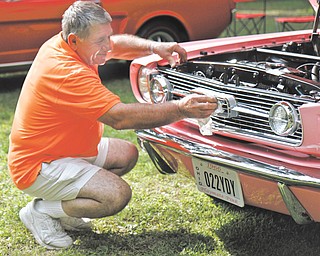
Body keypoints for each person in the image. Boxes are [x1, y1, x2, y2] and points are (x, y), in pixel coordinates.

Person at [7, 1, 218, 250]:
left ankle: (63, 203)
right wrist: (182, 109)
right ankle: (43, 211)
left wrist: (154, 46)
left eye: (107, 36)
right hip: (37, 166)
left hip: (61, 150)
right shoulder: (67, 72)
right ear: (74, 40)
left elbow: (115, 44)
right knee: (116, 195)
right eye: (101, 41)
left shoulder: (69, 41)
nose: (107, 46)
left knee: (126, 154)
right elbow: (120, 118)